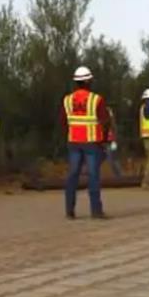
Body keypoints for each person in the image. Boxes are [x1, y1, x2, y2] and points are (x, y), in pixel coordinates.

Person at [62, 65, 110, 219]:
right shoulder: (96, 99)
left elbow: (63, 122)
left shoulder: (67, 100)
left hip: (74, 142)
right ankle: (96, 211)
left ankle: (70, 210)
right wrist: (104, 140)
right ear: (89, 81)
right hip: (92, 142)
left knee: (73, 175)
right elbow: (105, 121)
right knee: (93, 175)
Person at [100, 104, 124, 178]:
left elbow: (113, 130)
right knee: (111, 159)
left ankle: (119, 176)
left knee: (112, 159)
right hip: (104, 142)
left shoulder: (108, 122)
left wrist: (114, 141)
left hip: (109, 142)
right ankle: (118, 176)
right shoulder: (105, 120)